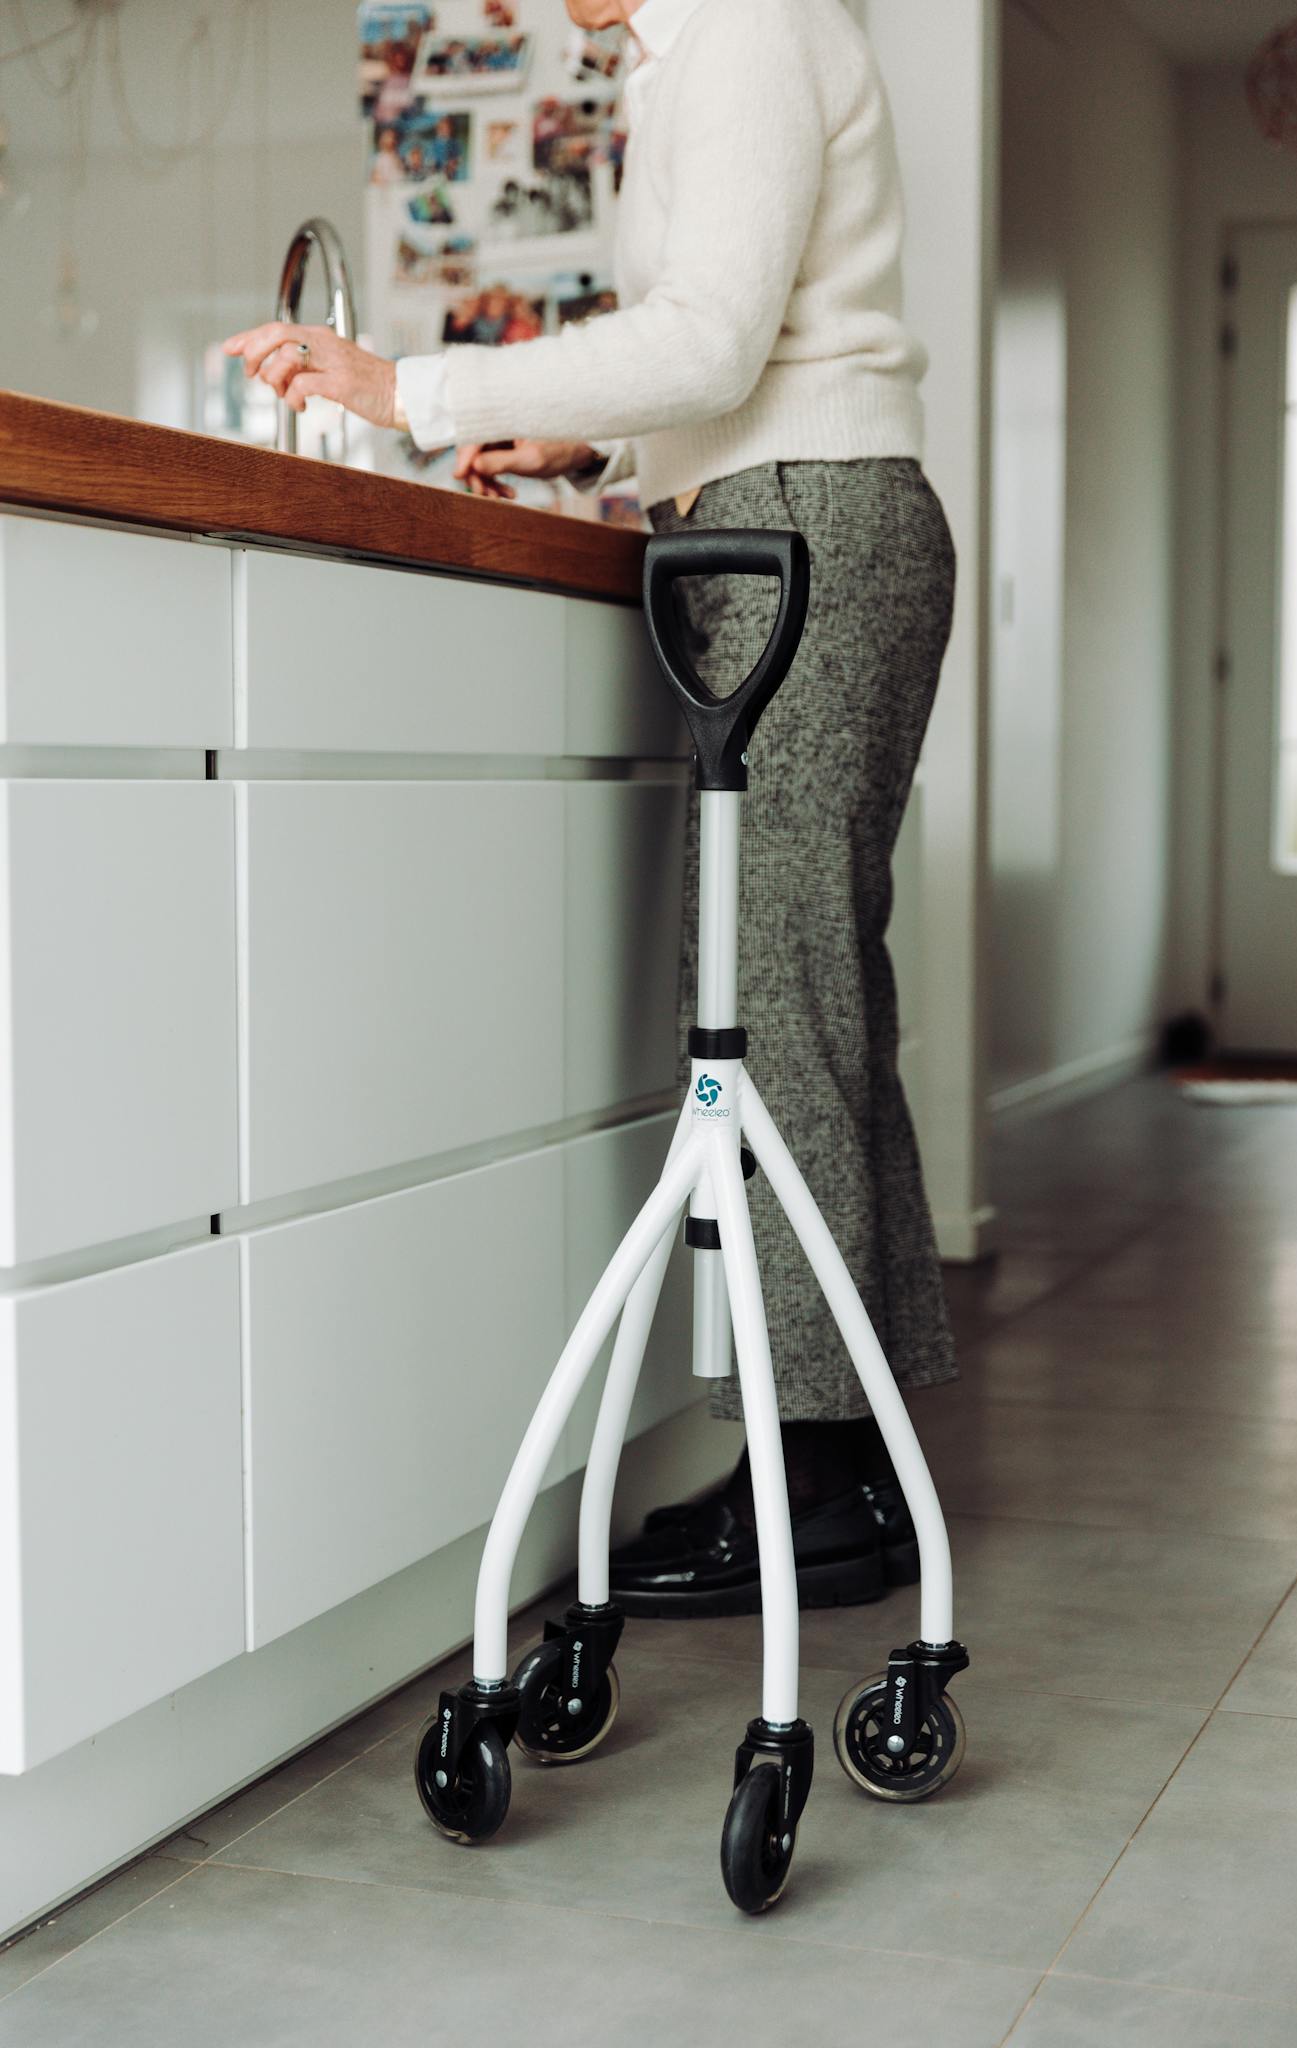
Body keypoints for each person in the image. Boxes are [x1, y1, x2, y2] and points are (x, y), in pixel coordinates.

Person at [223, 0, 959, 1617]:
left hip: (807, 524)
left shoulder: (751, 25)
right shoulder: (684, 53)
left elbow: (712, 338)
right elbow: (731, 353)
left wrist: (405, 383)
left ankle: (815, 1488)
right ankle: (853, 1462)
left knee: (775, 1001)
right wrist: (597, 440)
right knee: (808, 990)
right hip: (791, 508)